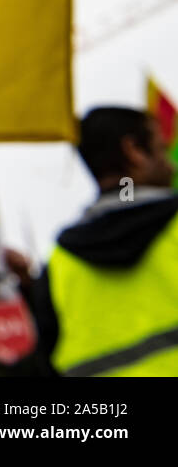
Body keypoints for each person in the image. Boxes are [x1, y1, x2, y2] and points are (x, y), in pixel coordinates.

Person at [17, 106, 178, 376]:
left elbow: (44, 365)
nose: (171, 164)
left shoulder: (59, 264)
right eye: (162, 150)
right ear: (133, 151)